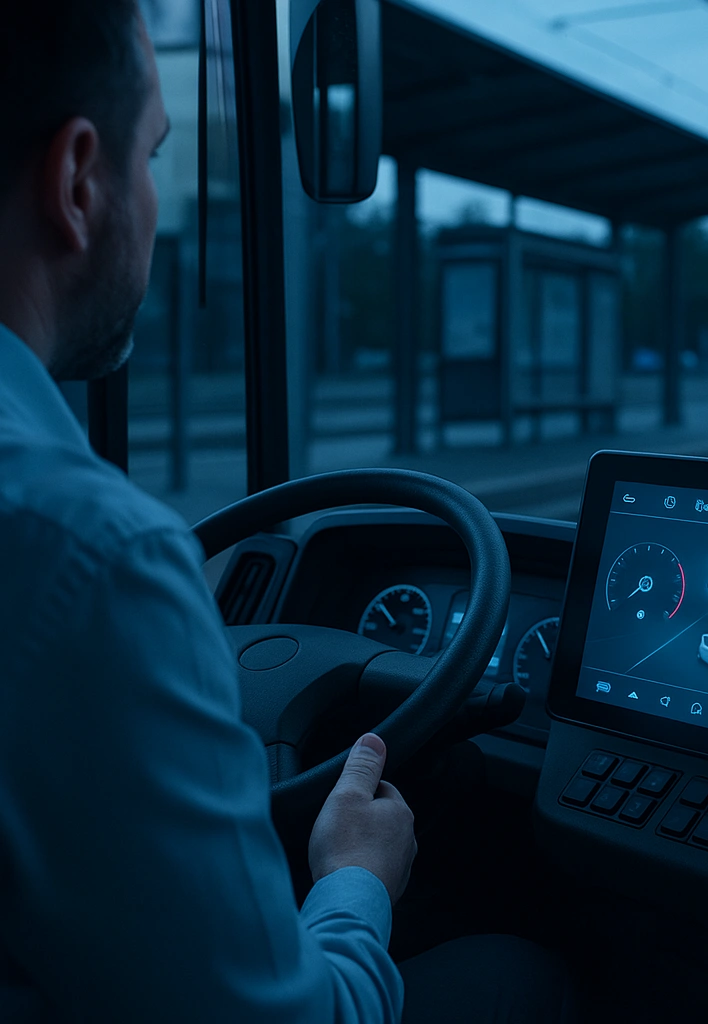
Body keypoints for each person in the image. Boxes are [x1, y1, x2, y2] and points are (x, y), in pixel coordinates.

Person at [0, 4, 573, 1022]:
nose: (152, 202)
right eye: (153, 158)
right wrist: (356, 877)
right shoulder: (92, 556)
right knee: (519, 973)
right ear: (79, 179)